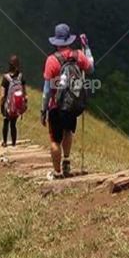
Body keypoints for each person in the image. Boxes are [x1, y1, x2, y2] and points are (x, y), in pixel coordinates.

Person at [41, 24, 93, 179]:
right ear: (69, 40)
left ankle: (57, 172)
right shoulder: (78, 55)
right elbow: (91, 69)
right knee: (68, 131)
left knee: (55, 139)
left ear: (56, 42)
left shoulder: (51, 60)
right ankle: (66, 161)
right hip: (71, 104)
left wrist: (43, 110)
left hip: (56, 106)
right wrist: (87, 48)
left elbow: (46, 90)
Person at [0, 55, 27, 147]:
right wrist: (24, 103)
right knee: (13, 124)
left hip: (8, 105)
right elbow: (24, 92)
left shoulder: (6, 78)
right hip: (17, 105)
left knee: (6, 122)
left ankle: (4, 142)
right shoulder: (20, 76)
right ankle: (14, 143)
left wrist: (1, 106)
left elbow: (2, 95)